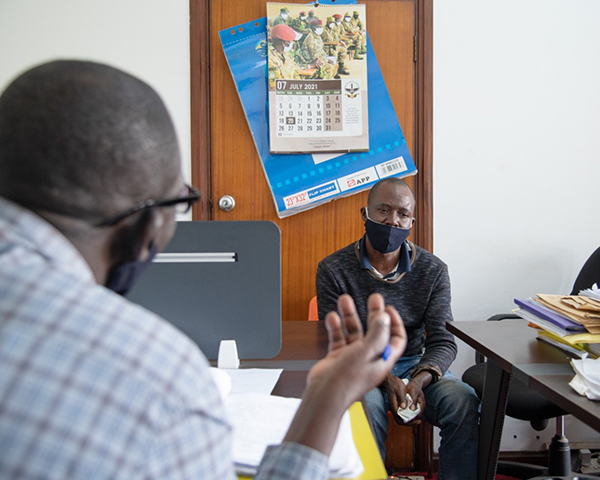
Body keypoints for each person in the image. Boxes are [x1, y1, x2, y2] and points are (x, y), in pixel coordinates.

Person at [0, 60, 407, 479]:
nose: (393, 223)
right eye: (180, 203)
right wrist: (328, 399)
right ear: (148, 223)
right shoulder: (160, 377)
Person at [316, 177, 480, 480]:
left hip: (415, 363)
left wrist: (420, 378)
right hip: (361, 366)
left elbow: (443, 340)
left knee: (463, 402)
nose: (393, 221)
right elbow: (335, 342)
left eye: (403, 214)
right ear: (364, 214)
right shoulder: (333, 269)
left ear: (411, 223)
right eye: (383, 210)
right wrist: (385, 376)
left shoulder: (433, 270)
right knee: (365, 407)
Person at [268, 24, 301, 90]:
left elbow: (295, 74)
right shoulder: (270, 59)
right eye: (290, 42)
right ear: (284, 43)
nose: (292, 44)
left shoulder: (287, 55)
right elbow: (275, 86)